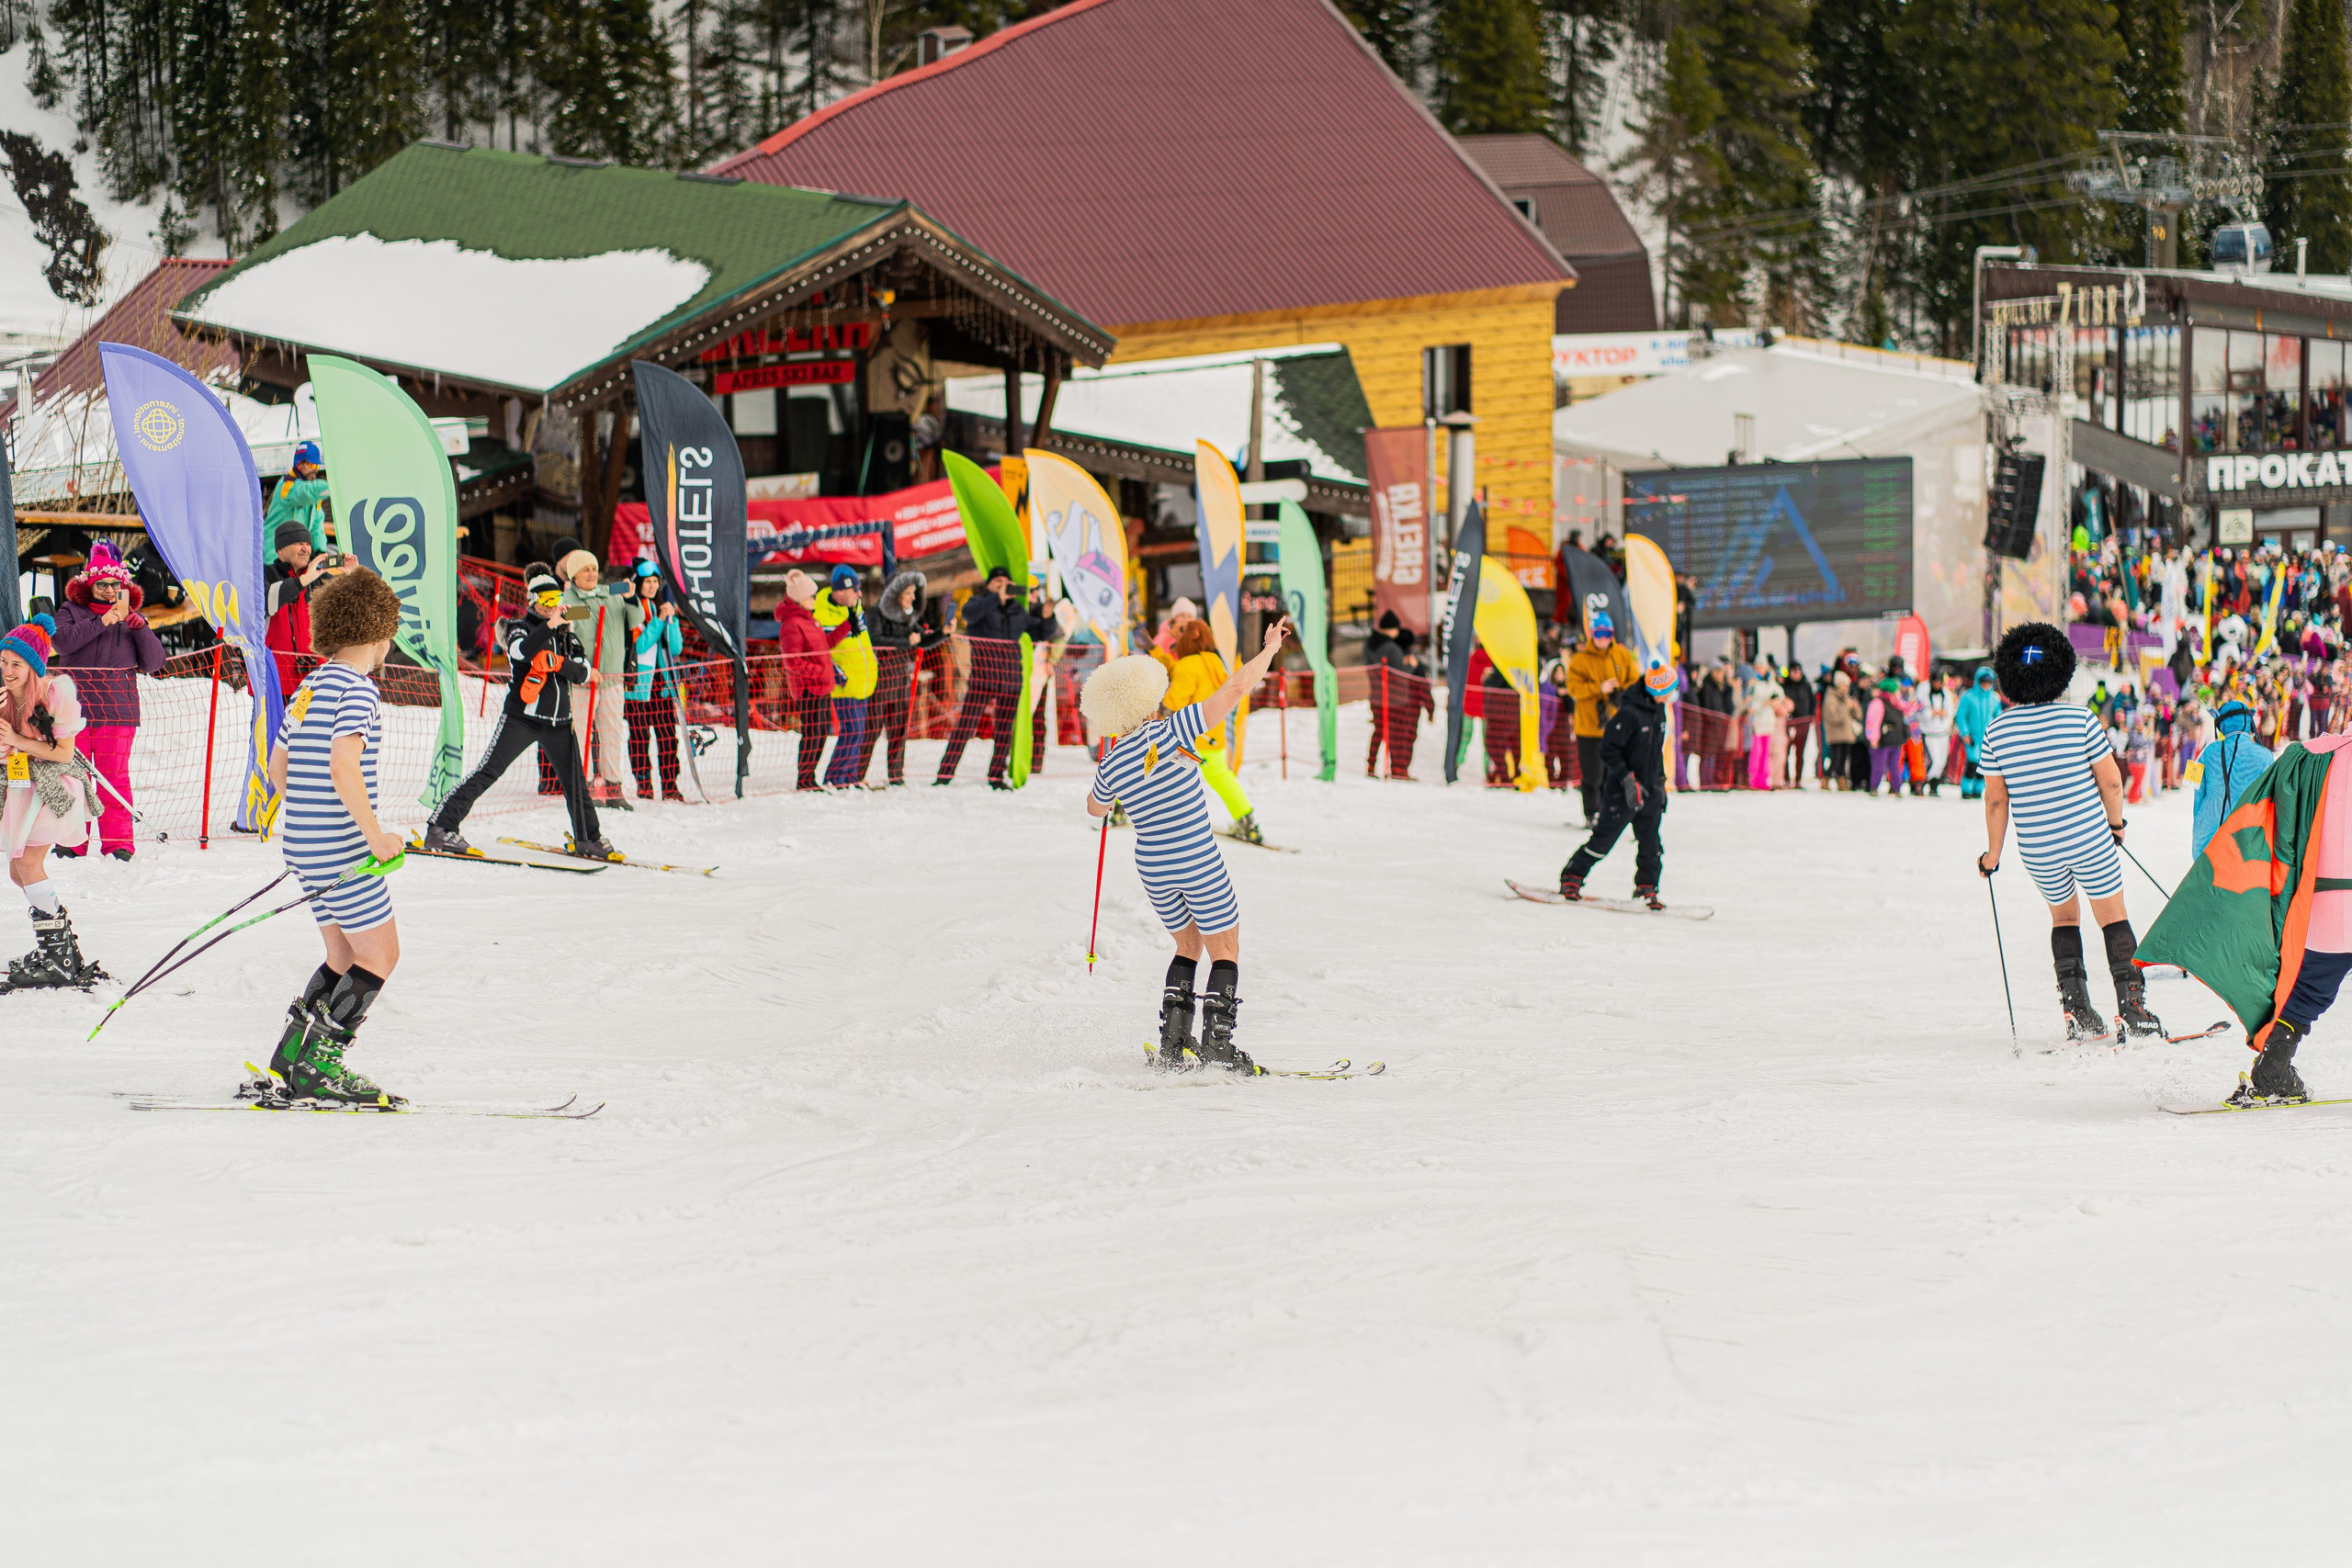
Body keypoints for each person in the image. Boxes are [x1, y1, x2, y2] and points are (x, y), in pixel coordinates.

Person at [1081, 616, 1295, 1073]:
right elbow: (1235, 688)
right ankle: (1217, 1043)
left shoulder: (1112, 761)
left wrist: (1113, 766)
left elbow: (1095, 809)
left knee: (1187, 944)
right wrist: (1269, 651)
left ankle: (1174, 1043)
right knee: (1225, 948)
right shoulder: (1173, 730)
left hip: (1154, 869)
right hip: (1196, 859)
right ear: (1148, 699)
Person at [262, 568, 408, 1103]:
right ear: (378, 633)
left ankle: (292, 1053)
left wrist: (308, 818)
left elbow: (278, 768)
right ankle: (319, 1066)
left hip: (303, 844)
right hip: (342, 847)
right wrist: (375, 837)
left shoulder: (309, 686)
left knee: (343, 954)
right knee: (380, 955)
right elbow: (344, 765)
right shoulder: (359, 690)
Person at [1974, 621, 2160, 1043]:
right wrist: (2115, 825)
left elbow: (1996, 801)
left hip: (2038, 847)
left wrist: (1992, 855)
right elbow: (2110, 781)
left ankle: (2076, 1009)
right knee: (2112, 916)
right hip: (2089, 836)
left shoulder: (1997, 731)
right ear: (2061, 670)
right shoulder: (2080, 718)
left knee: (2064, 918)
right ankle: (2132, 1009)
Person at [424, 566, 618, 862]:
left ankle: (588, 838)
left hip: (559, 723)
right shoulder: (521, 627)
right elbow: (520, 652)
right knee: (489, 770)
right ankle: (441, 827)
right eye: (547, 599)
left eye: (557, 598)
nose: (553, 605)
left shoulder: (567, 633)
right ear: (534, 600)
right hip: (522, 718)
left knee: (576, 783)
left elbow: (583, 672)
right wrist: (550, 630)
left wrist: (556, 662)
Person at [1, 615, 105, 988]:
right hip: (21, 788)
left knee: (28, 865)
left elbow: (63, 753)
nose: (7, 671)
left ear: (33, 666)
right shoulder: (3, 697)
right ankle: (63, 950)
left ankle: (56, 959)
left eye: (16, 664)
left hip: (52, 788)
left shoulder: (55, 694)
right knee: (19, 872)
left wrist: (17, 739)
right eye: (3, 661)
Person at [49, 540, 164, 860]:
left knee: (114, 779)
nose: (110, 591)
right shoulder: (70, 611)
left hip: (117, 711)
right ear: (90, 584)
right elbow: (62, 643)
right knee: (73, 777)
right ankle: (72, 839)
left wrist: (140, 628)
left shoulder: (133, 618)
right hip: (74, 711)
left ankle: (118, 842)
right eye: (103, 584)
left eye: (116, 585)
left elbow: (155, 663)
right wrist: (101, 622)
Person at [1559, 659, 1677, 908]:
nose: (1671, 695)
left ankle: (1647, 889)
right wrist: (1626, 779)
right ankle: (1572, 877)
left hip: (1649, 790)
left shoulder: (1659, 710)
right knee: (1602, 841)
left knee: (1651, 845)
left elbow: (1656, 751)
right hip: (1622, 791)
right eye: (1669, 690)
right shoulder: (1629, 714)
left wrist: (1660, 782)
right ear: (1657, 690)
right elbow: (1608, 749)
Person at [936, 566, 1056, 788]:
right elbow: (969, 614)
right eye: (997, 582)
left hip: (1010, 679)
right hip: (983, 678)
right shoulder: (977, 603)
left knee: (1004, 731)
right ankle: (944, 774)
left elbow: (1041, 632)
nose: (1002, 586)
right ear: (989, 584)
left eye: (1005, 583)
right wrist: (996, 598)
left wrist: (1048, 617)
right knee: (965, 727)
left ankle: (996, 776)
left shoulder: (1017, 610)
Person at [1162, 617, 1267, 841]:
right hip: (1213, 734)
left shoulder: (1187, 665)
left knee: (1154, 767)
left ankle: (1124, 808)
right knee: (1221, 776)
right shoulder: (1215, 661)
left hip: (1186, 737)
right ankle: (1246, 820)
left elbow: (1175, 701)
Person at [558, 547, 641, 810]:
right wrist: (589, 606)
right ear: (574, 575)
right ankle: (584, 788)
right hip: (583, 679)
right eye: (586, 570)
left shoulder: (611, 592)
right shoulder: (567, 599)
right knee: (582, 733)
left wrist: (630, 597)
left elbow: (636, 619)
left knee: (612, 732)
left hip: (612, 677)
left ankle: (614, 787)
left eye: (594, 569)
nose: (592, 574)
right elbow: (573, 620)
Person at [1561, 611, 1641, 818]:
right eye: (1598, 634)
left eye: (1606, 634)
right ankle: (1591, 813)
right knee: (1592, 776)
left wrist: (1621, 694)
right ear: (1592, 635)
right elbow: (1573, 688)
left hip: (1616, 727)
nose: (1603, 638)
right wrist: (1599, 688)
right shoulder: (1580, 660)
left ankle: (1609, 812)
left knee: (1613, 774)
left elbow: (1634, 682)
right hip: (1589, 728)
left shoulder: (1622, 655)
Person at [775, 569, 848, 791]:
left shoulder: (810, 620)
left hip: (822, 686)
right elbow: (793, 662)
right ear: (799, 599)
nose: (815, 599)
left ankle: (810, 777)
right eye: (812, 596)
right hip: (808, 689)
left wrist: (847, 626)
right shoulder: (792, 624)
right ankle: (804, 778)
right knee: (812, 734)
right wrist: (821, 672)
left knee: (822, 733)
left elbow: (824, 646)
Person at [862, 569, 934, 786]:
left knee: (899, 730)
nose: (913, 597)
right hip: (881, 679)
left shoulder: (907, 616)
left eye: (914, 593)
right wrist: (906, 642)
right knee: (872, 730)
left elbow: (921, 639)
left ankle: (896, 775)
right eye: (908, 593)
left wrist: (943, 632)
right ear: (896, 593)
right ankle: (856, 775)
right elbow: (875, 639)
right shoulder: (877, 613)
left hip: (901, 679)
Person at [624, 561, 684, 803]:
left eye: (655, 582)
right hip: (638, 686)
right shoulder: (632, 608)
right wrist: (658, 621)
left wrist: (671, 621)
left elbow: (676, 648)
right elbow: (639, 646)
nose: (651, 586)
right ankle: (644, 785)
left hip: (662, 685)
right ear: (638, 583)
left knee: (668, 737)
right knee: (639, 737)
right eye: (647, 582)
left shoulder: (660, 609)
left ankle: (670, 785)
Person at [2188, 697, 2275, 861]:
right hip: (2246, 831)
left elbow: (2195, 787)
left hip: (2208, 830)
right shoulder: (2265, 756)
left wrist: (2199, 819)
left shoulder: (2208, 752)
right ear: (2248, 722)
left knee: (2207, 873)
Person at [814, 565, 876, 788]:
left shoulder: (855, 607)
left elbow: (862, 641)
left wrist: (873, 662)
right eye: (855, 589)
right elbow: (821, 651)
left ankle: (849, 776)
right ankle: (834, 777)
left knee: (859, 733)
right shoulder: (822, 614)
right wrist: (838, 675)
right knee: (852, 731)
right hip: (845, 685)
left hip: (863, 680)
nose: (859, 594)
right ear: (840, 590)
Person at [265, 520, 335, 694]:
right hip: (275, 681)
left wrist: (353, 573)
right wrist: (301, 581)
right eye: (299, 543)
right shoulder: (266, 575)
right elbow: (266, 602)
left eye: (308, 544)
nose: (306, 549)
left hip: (316, 680)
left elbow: (353, 605)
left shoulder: (320, 577)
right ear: (280, 549)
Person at [264, 440, 333, 552]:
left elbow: (317, 529)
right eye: (312, 465)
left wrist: (320, 552)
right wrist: (334, 487)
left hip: (294, 554)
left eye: (317, 465)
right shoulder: (287, 486)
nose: (316, 469)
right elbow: (308, 491)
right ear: (299, 464)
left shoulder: (314, 499)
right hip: (274, 553)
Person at [1954, 666, 1999, 800]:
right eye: (1983, 682)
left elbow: (1997, 716)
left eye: (1988, 682)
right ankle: (1966, 789)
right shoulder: (1968, 696)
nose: (1986, 685)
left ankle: (1978, 789)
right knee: (1973, 763)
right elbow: (1961, 716)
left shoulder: (1994, 698)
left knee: (1984, 765)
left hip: (1988, 738)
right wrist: (1965, 733)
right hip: (1973, 737)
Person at [1863, 676, 1909, 796]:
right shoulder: (1878, 703)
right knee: (1879, 765)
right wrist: (1873, 739)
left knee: (1895, 766)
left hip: (1895, 740)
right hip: (1882, 741)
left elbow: (1906, 711)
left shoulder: (1896, 703)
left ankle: (1897, 788)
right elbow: (1872, 722)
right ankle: (1874, 787)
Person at [1820, 669, 1862, 791]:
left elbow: (1858, 716)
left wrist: (1855, 707)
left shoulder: (1846, 698)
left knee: (1844, 760)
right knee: (1836, 759)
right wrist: (1846, 708)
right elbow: (1834, 717)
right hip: (1836, 735)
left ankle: (1841, 780)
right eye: (1844, 686)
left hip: (1847, 734)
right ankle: (1826, 779)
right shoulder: (1830, 698)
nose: (1846, 689)